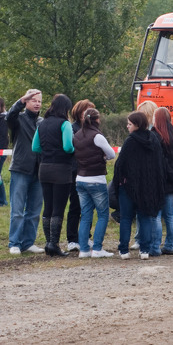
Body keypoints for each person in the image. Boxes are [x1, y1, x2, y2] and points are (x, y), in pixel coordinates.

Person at [113, 111, 165, 260]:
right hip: (148, 187)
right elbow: (159, 163)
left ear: (136, 125)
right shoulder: (153, 139)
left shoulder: (130, 141)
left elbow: (120, 164)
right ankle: (145, 250)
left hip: (129, 187)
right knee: (145, 218)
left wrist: (119, 181)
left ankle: (124, 250)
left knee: (126, 218)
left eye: (129, 124)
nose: (127, 126)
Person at [32, 94, 75, 257]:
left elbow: (35, 147)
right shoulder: (65, 124)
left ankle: (48, 243)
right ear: (65, 109)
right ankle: (54, 244)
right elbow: (68, 147)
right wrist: (73, 151)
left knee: (48, 206)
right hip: (61, 169)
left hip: (44, 168)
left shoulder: (41, 124)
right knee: (58, 207)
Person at [5, 89, 45, 255]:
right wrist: (21, 100)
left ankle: (28, 242)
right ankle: (14, 242)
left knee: (34, 210)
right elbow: (9, 116)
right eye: (33, 100)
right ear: (26, 101)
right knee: (17, 210)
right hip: (21, 168)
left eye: (40, 101)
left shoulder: (43, 121)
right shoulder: (18, 119)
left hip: (39, 170)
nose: (37, 103)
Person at [73, 108, 115, 258]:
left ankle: (83, 249)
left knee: (85, 215)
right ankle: (97, 248)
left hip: (80, 179)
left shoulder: (76, 135)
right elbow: (112, 153)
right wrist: (103, 158)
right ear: (97, 120)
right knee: (103, 214)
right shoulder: (97, 136)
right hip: (96, 179)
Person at [150, 107, 173, 255]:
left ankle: (155, 246)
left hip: (159, 181)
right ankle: (170, 245)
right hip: (172, 182)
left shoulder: (155, 136)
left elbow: (161, 162)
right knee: (170, 215)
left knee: (156, 215)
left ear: (156, 120)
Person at [66, 99, 95, 252]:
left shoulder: (94, 129)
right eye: (86, 110)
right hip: (76, 172)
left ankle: (86, 236)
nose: (88, 114)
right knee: (75, 206)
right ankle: (72, 238)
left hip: (91, 172)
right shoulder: (72, 128)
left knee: (89, 207)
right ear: (79, 112)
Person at [129, 100, 158, 251]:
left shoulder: (148, 133)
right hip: (150, 176)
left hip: (143, 177)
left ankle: (142, 239)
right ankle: (146, 240)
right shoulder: (155, 132)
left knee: (143, 211)